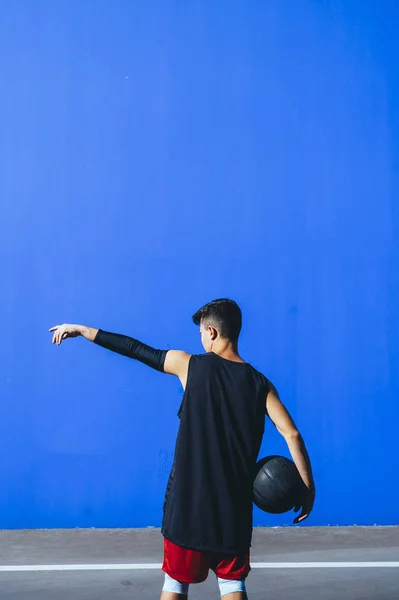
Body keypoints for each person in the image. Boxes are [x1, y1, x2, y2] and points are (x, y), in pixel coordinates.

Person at [50, 298, 315, 600]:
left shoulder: (188, 365)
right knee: (232, 586)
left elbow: (136, 350)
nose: (200, 338)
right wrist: (307, 488)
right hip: (233, 513)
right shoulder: (261, 385)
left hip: (187, 510)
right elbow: (292, 434)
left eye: (201, 332)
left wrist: (84, 330)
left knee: (175, 586)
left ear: (212, 332)